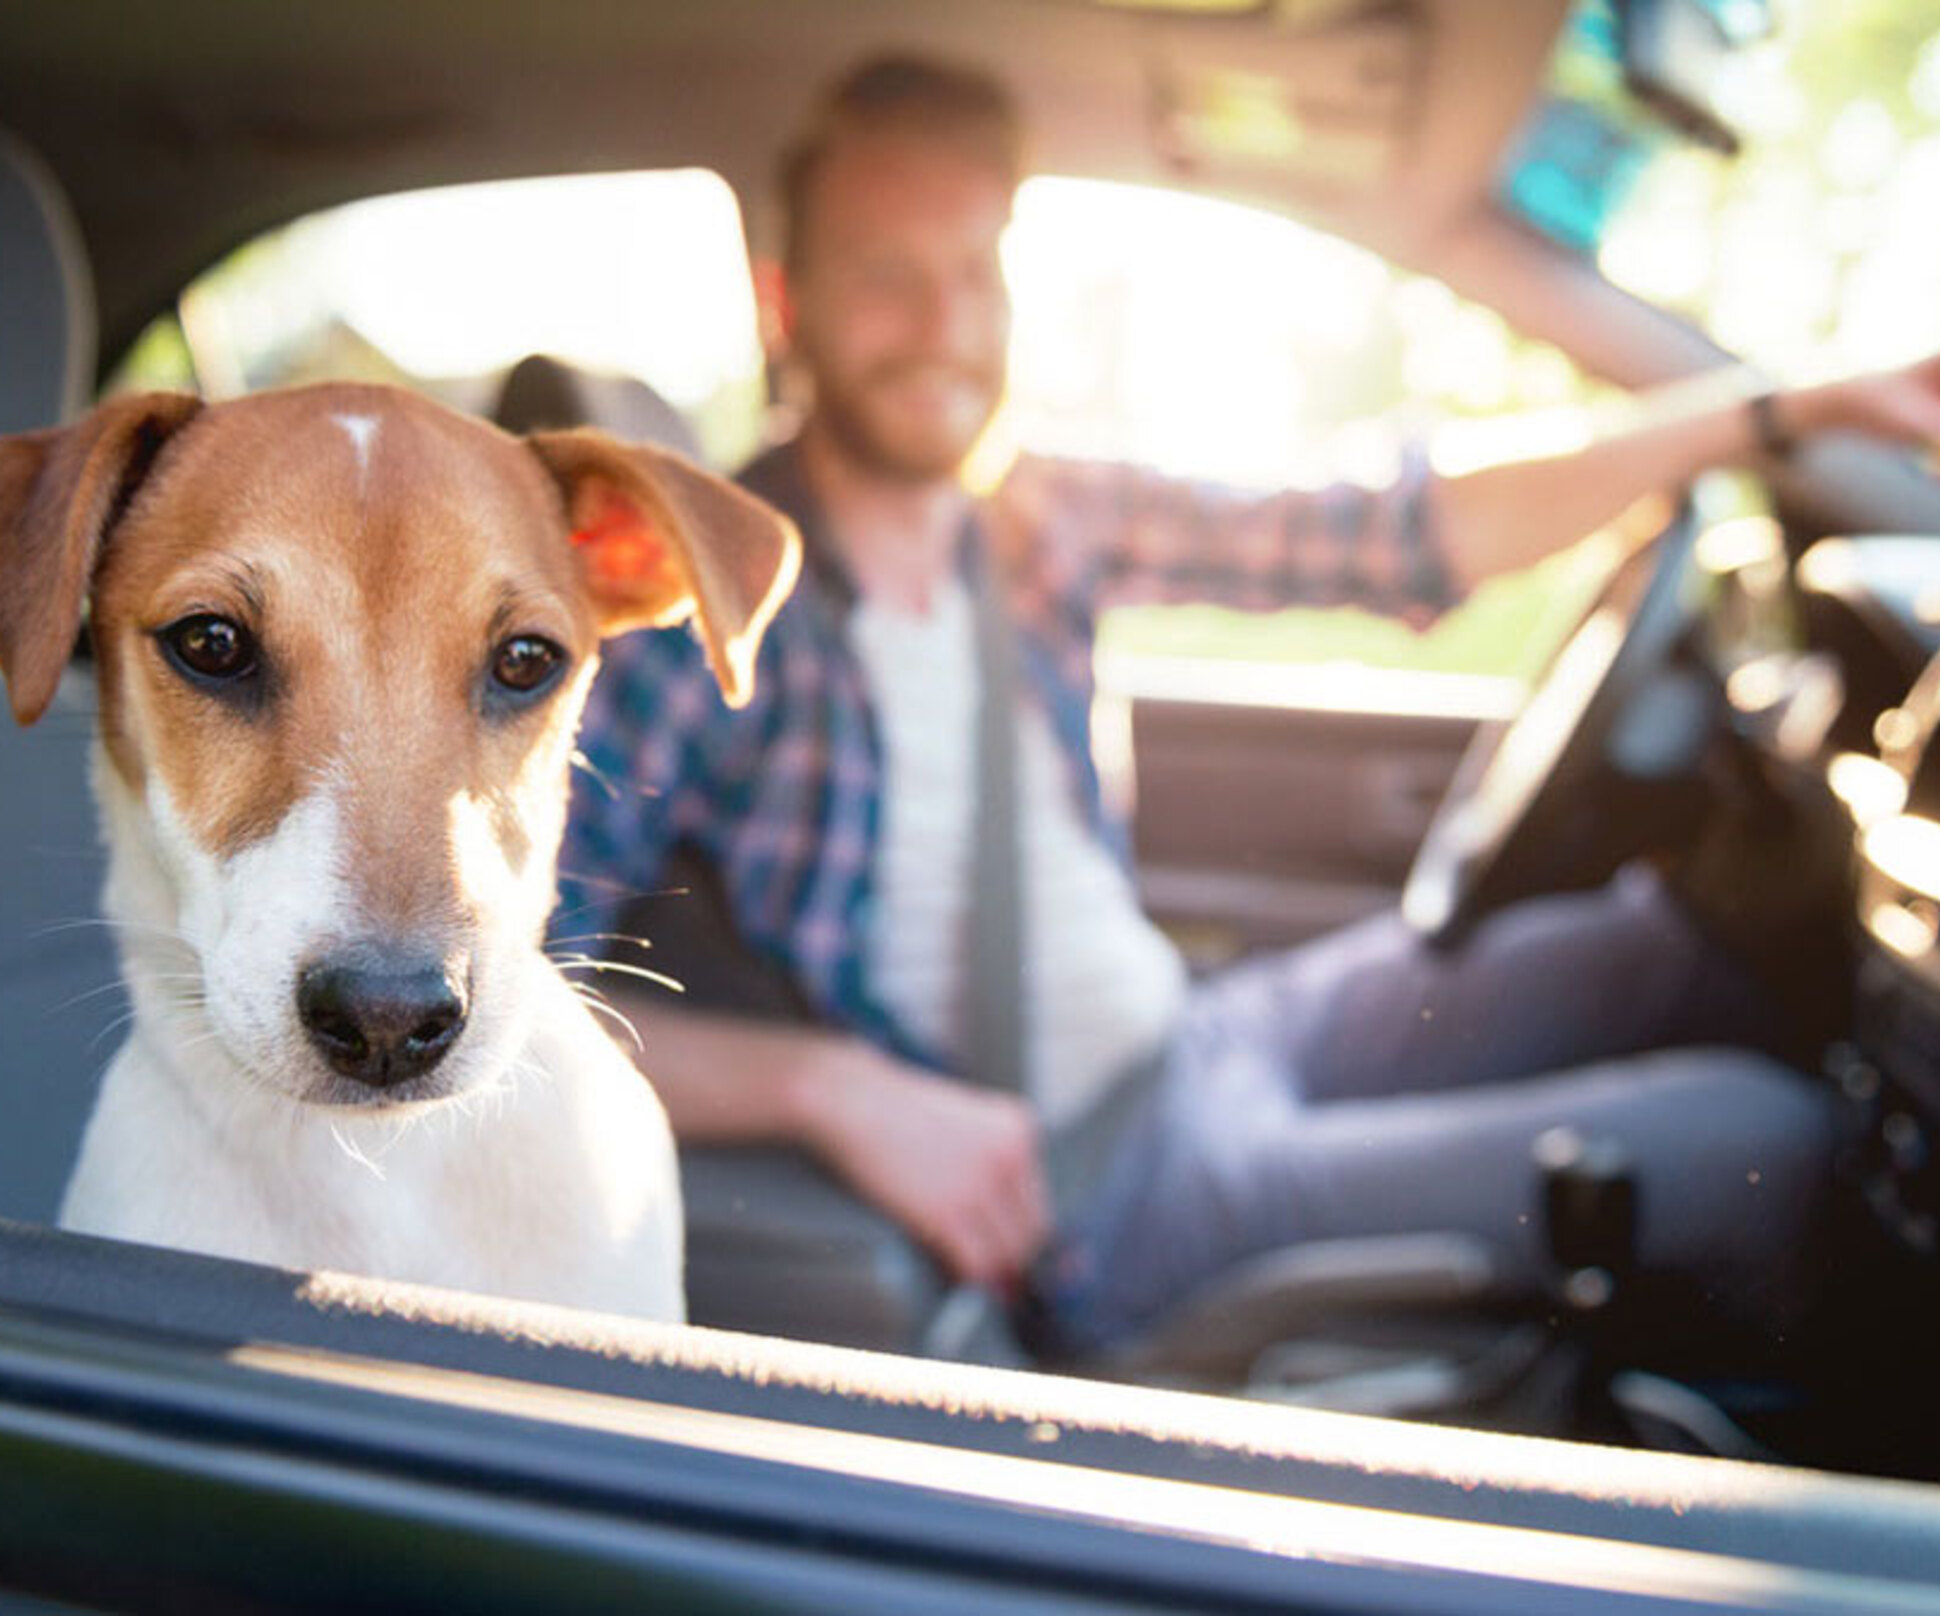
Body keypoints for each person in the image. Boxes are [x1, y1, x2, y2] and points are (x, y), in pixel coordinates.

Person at [560, 55, 1940, 1354]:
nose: (944, 326)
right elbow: (511, 1000)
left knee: (1670, 942)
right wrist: (825, 1090)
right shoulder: (696, 616)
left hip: (1204, 1033)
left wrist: (1774, 416)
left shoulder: (1036, 518)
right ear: (786, 298)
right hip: (1108, 1193)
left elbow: (1410, 530)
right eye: (885, 276)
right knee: (1771, 1143)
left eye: (975, 274)